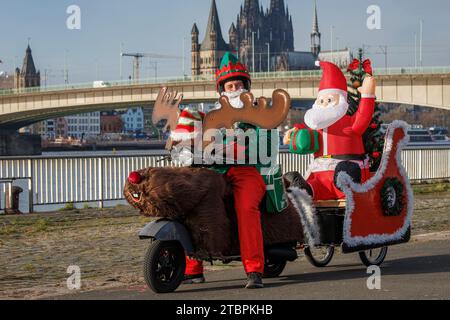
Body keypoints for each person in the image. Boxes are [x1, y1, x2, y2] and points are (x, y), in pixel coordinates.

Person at [171, 52, 270, 289]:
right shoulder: (212, 116)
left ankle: (254, 269)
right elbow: (197, 138)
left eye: (238, 84)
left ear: (246, 87)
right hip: (216, 173)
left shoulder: (259, 114)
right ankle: (193, 268)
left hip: (246, 172)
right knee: (191, 202)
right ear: (222, 90)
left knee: (246, 208)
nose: (234, 89)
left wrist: (227, 148)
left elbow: (261, 146)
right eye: (229, 85)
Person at [284, 61, 376, 200]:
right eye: (321, 101)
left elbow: (363, 116)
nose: (325, 103)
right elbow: (305, 130)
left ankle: (341, 184)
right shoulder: (317, 124)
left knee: (344, 174)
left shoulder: (349, 123)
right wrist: (293, 132)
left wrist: (367, 96)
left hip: (344, 169)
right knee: (315, 186)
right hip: (320, 175)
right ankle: (302, 189)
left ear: (342, 100)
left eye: (329, 99)